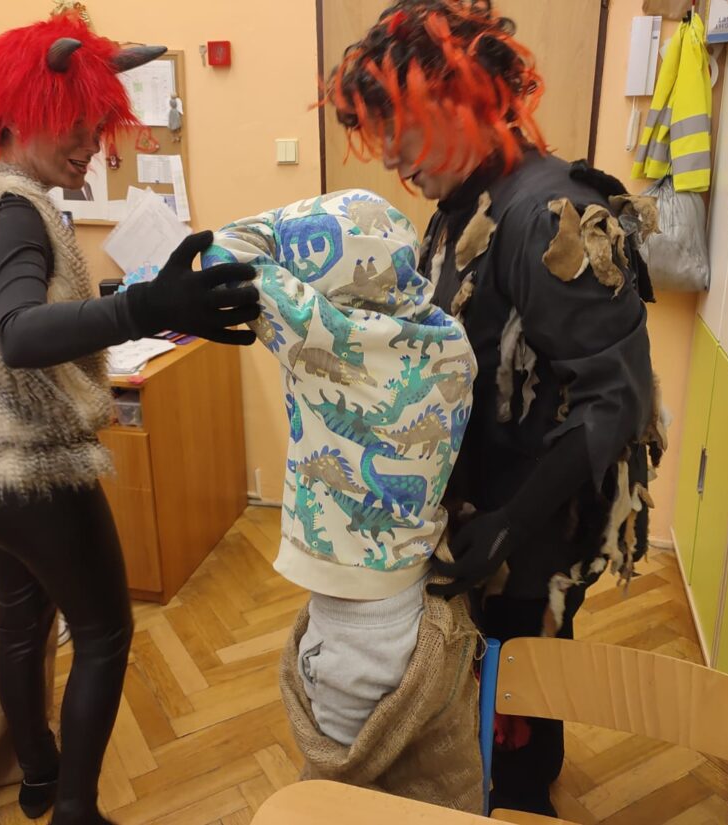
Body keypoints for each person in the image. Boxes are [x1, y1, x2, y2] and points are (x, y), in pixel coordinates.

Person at [0, 13, 259, 824]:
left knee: (22, 617)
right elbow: (20, 334)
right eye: (78, 125)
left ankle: (38, 779)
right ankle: (77, 810)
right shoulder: (15, 211)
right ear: (22, 112)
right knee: (104, 632)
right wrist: (144, 306)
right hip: (30, 469)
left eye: (99, 127)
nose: (94, 145)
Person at [324, 1, 665, 816]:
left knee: (522, 702)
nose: (393, 157)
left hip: (532, 521)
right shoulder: (461, 207)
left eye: (400, 129)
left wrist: (512, 523)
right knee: (489, 690)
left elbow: (618, 398)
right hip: (480, 510)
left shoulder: (548, 212)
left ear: (461, 101)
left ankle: (521, 801)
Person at [204, 190, 482, 810]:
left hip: (351, 633)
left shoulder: (322, 334)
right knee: (412, 787)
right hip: (415, 603)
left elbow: (223, 249)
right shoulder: (452, 342)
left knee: (340, 800)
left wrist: (288, 228)